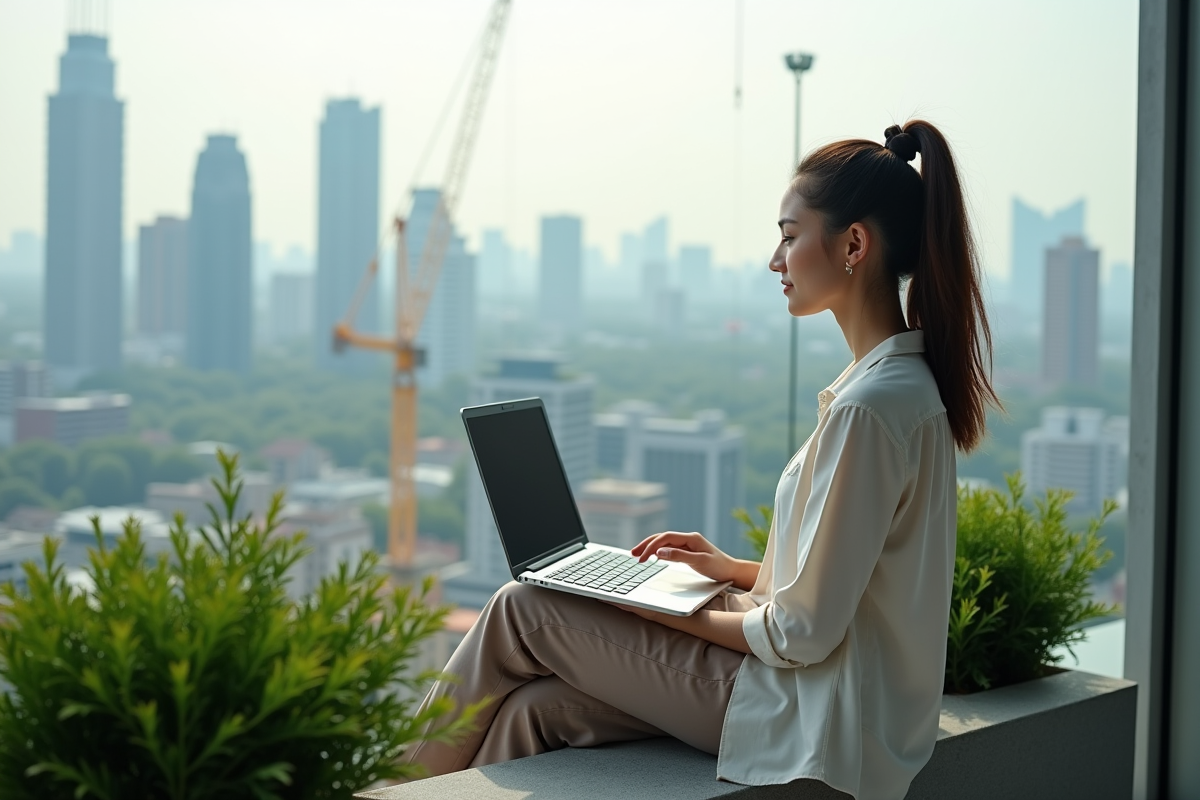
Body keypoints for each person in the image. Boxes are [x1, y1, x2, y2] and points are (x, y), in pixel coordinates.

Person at [401, 120, 999, 800]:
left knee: (522, 608)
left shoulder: (870, 408)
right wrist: (731, 570)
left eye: (790, 235)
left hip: (812, 711)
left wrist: (654, 609)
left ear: (853, 244)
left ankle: (381, 791)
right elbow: (848, 589)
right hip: (842, 705)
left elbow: (800, 632)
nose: (777, 259)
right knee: (535, 712)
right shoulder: (900, 390)